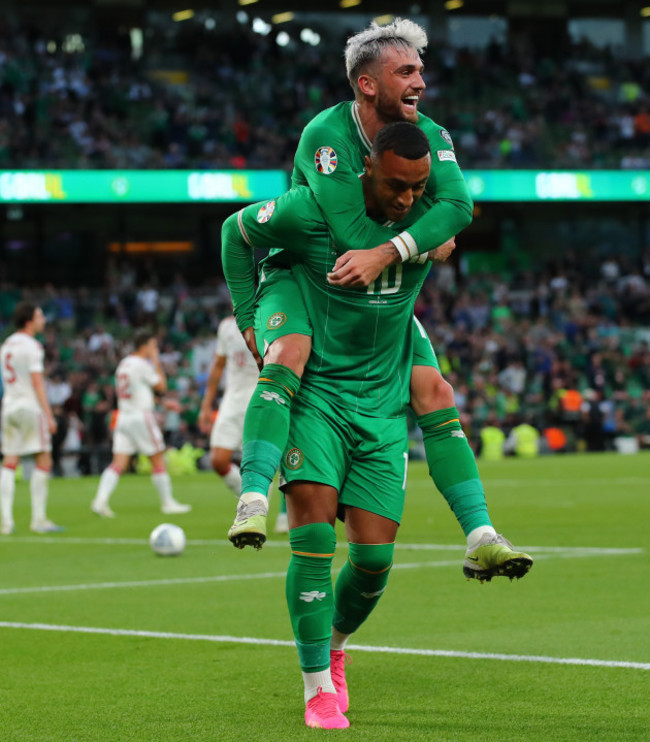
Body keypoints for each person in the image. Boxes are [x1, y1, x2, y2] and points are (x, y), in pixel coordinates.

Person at [222, 122, 532, 729]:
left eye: (418, 188)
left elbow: (451, 224)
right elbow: (234, 232)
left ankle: (339, 642)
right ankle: (315, 685)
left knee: (372, 563)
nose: (406, 199)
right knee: (312, 540)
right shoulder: (310, 211)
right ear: (364, 169)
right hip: (319, 399)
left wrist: (421, 241)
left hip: (378, 397)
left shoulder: (426, 220)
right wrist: (247, 316)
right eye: (396, 185)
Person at [228, 17, 527, 585]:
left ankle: (480, 533)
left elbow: (459, 208)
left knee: (435, 390)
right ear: (368, 84)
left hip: (376, 292)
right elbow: (348, 239)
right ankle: (252, 495)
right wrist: (420, 240)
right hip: (307, 277)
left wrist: (399, 248)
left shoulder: (430, 136)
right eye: (406, 70)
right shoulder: (327, 135)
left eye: (421, 69)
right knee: (288, 351)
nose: (420, 80)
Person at [198, 315, 289, 531]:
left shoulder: (273, 317)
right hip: (232, 402)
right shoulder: (226, 326)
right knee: (218, 461)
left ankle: (284, 515)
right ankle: (255, 498)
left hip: (264, 396)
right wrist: (206, 404)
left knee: (284, 456)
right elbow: (218, 365)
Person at [90, 330, 191, 518]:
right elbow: (162, 386)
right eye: (153, 346)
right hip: (140, 417)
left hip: (123, 417)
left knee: (118, 463)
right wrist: (156, 361)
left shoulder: (124, 363)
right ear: (144, 346)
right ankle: (168, 503)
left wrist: (162, 402)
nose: (155, 349)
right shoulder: (142, 364)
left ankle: (100, 501)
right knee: (158, 459)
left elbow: (137, 390)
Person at [0, 302, 63, 535]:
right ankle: (39, 519)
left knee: (9, 462)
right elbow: (37, 383)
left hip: (9, 406)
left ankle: (6, 521)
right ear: (29, 320)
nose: (43, 319)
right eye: (39, 315)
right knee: (44, 460)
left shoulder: (6, 345)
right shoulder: (33, 346)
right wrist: (49, 416)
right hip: (29, 406)